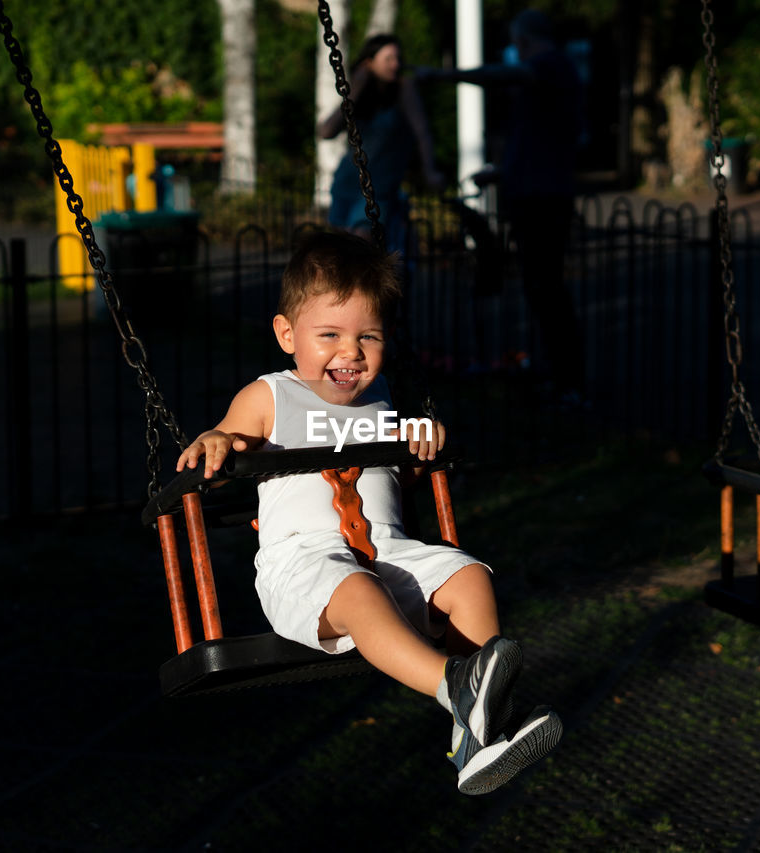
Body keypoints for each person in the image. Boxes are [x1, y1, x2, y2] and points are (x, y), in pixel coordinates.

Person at [175, 230, 561, 795]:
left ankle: (478, 736)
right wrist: (215, 438)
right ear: (287, 334)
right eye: (329, 334)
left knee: (470, 577)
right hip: (307, 567)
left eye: (368, 336)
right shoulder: (271, 395)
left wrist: (422, 436)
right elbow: (230, 432)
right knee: (358, 590)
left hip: (390, 554)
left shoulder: (381, 403)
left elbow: (401, 466)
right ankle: (457, 688)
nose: (350, 352)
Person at [418, 10, 586, 399]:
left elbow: (508, 76)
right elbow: (537, 141)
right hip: (531, 192)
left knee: (547, 287)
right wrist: (501, 172)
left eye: (516, 42)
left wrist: (447, 76)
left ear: (525, 39)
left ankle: (569, 382)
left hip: (544, 199)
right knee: (538, 286)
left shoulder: (550, 65)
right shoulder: (546, 72)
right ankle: (556, 375)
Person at [319, 34, 445, 255]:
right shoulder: (361, 94)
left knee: (362, 245)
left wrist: (429, 170)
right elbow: (326, 131)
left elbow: (422, 132)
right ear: (369, 62)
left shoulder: (404, 90)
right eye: (388, 58)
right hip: (347, 181)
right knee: (338, 252)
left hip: (380, 187)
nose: (395, 65)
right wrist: (355, 90)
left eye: (397, 58)